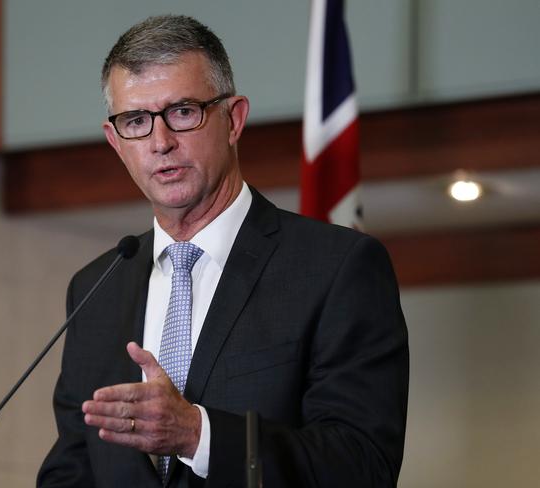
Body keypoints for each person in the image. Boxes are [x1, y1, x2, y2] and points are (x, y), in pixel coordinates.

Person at [38, 14, 408, 488]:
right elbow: (72, 468)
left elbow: (363, 465)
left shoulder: (337, 268)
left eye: (183, 112)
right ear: (115, 141)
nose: (160, 142)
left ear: (233, 120)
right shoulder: (96, 289)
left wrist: (199, 435)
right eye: (136, 121)